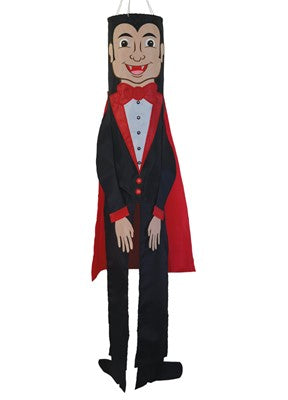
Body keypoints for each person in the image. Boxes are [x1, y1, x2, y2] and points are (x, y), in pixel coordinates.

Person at [91, 13, 195, 392]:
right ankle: (118, 360)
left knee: (155, 280)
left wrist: (159, 212)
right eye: (125, 43)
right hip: (119, 212)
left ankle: (150, 362)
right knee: (118, 282)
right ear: (111, 54)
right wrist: (117, 213)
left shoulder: (160, 106)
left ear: (161, 52)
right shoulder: (111, 108)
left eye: (148, 43)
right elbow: (104, 163)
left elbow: (167, 165)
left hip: (153, 213)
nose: (137, 53)